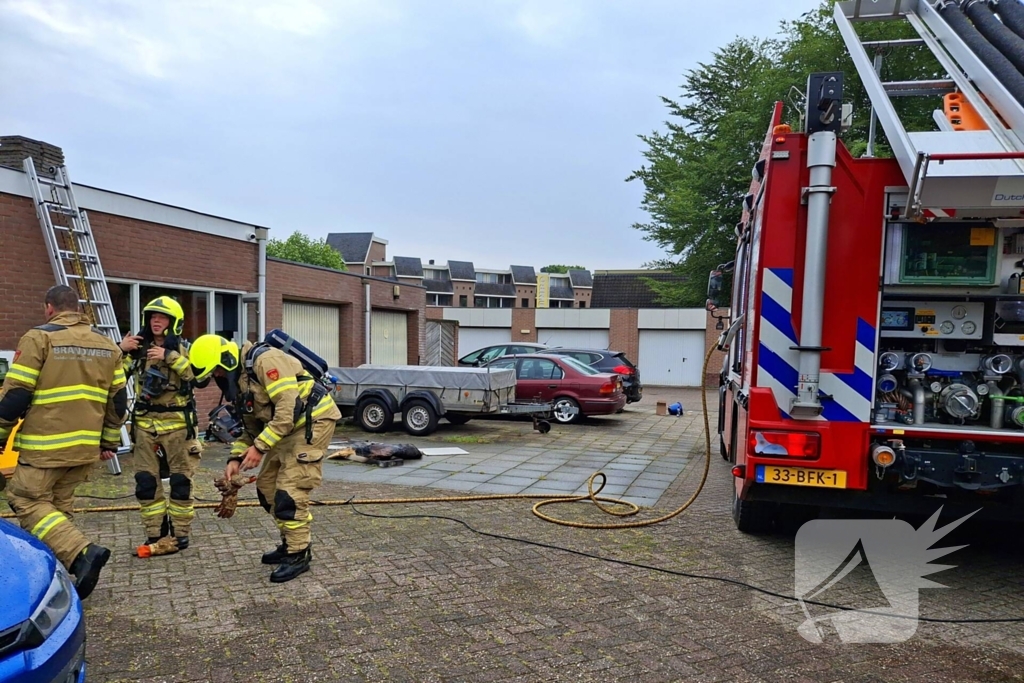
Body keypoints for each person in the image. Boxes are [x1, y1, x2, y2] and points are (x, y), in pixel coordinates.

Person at [0, 285, 127, 599]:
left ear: (49, 308)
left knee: (24, 500)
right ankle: (55, 575)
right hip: (84, 449)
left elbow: (16, 395)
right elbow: (119, 402)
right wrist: (109, 440)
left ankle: (82, 553)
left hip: (45, 446)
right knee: (56, 509)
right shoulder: (108, 346)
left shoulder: (39, 338)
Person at [189, 333, 340, 582]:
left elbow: (287, 408)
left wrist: (260, 448)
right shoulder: (241, 384)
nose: (216, 377)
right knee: (266, 488)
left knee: (290, 490)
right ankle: (289, 542)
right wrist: (235, 459)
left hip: (312, 422)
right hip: (285, 428)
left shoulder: (265, 361)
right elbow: (250, 429)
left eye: (215, 371)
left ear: (225, 360)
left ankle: (299, 553)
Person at [118, 297, 201, 551]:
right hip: (145, 425)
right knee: (145, 482)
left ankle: (180, 533)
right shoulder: (138, 349)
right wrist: (121, 349)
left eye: (162, 317)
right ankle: (155, 532)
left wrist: (169, 356)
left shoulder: (184, 349)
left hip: (177, 426)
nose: (156, 321)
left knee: (180, 482)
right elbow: (115, 376)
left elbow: (195, 376)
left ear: (172, 323)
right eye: (153, 317)